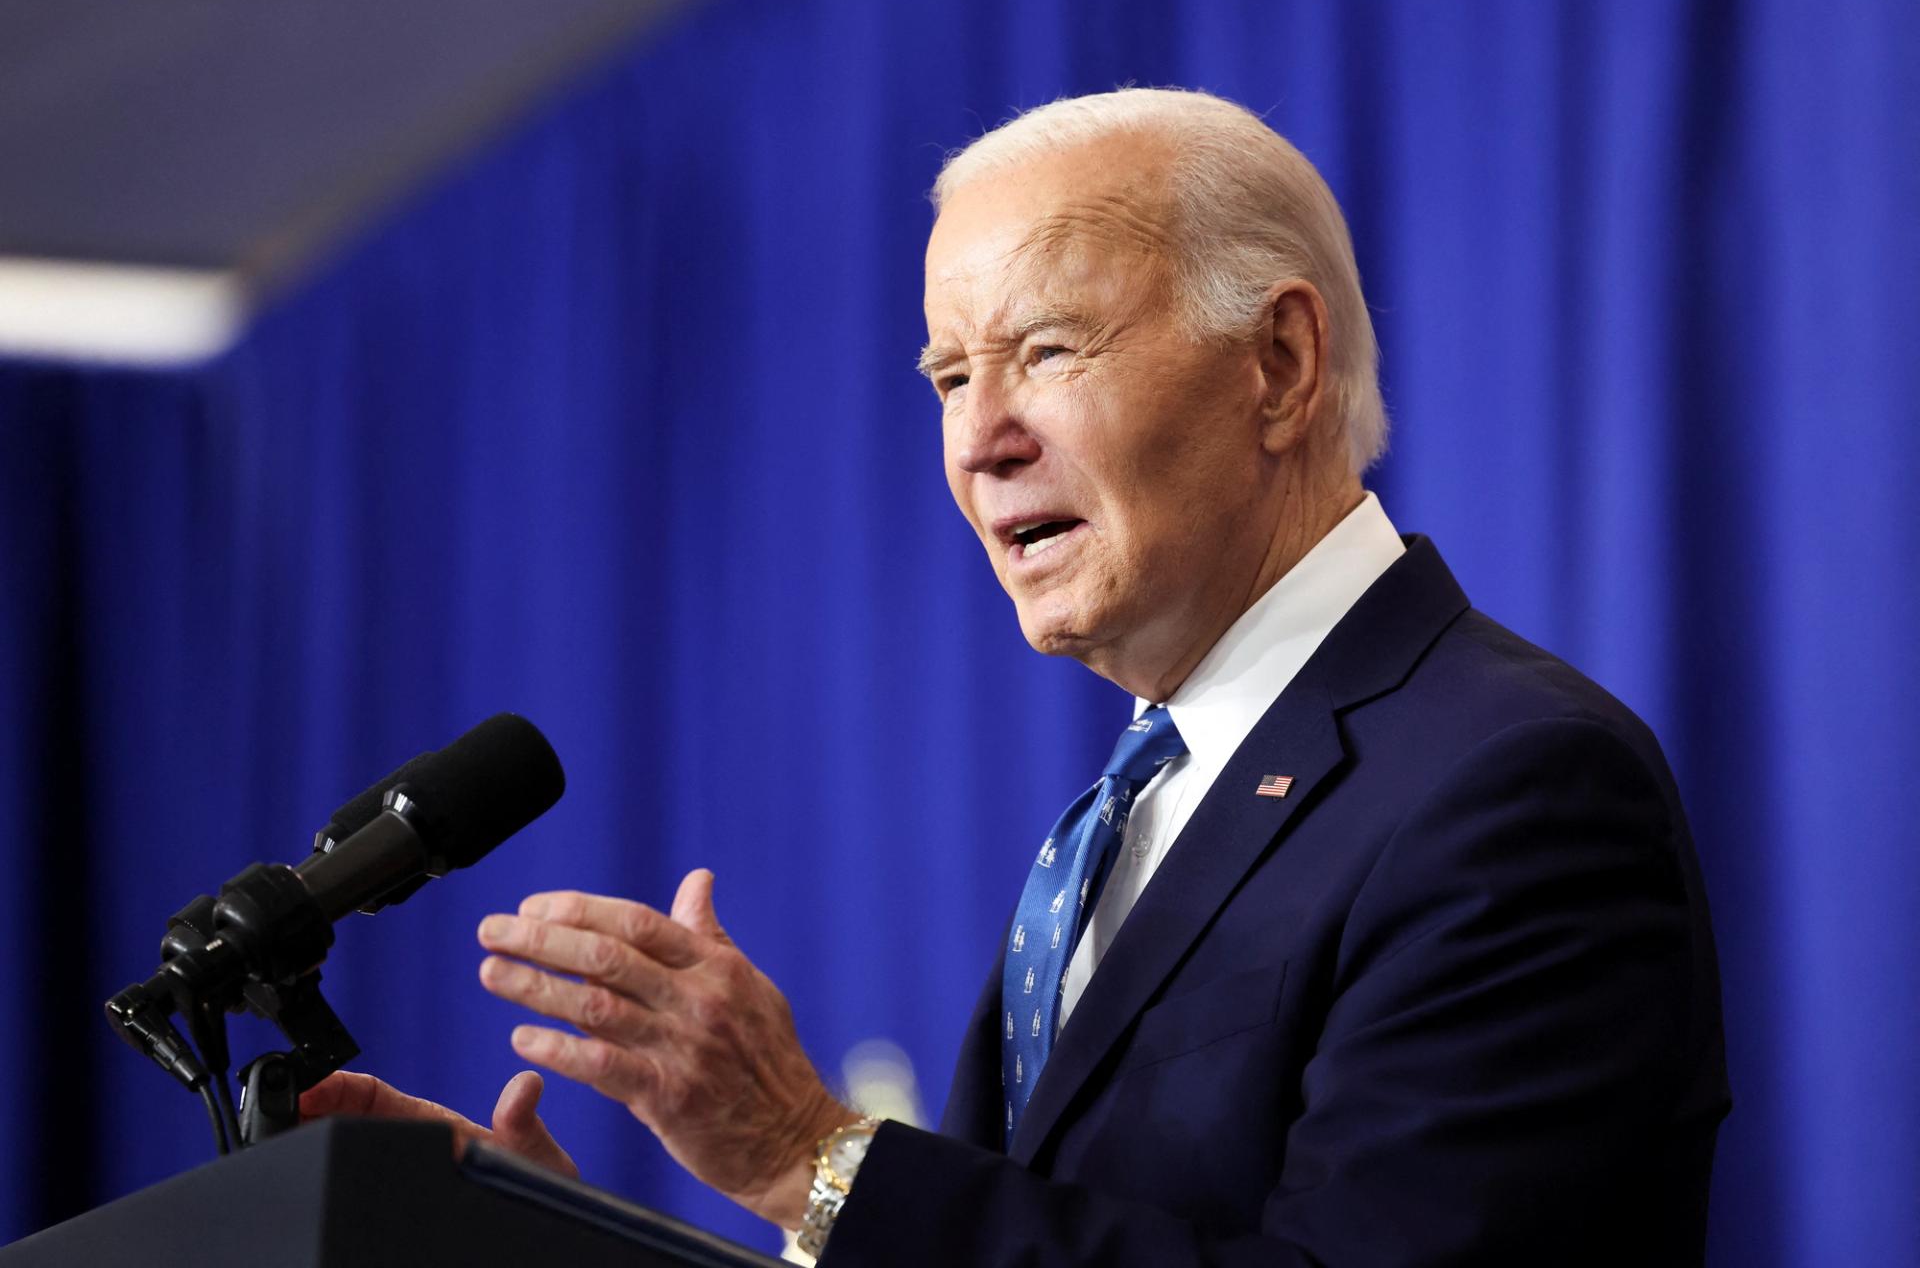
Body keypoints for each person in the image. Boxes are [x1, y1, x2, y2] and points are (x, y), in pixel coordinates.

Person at [302, 89, 1729, 1265]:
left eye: (1046, 352)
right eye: (945, 378)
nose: (979, 440)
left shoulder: (1508, 784)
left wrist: (816, 1161)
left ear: (1281, 366)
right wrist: (565, 1248)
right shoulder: (1137, 808)